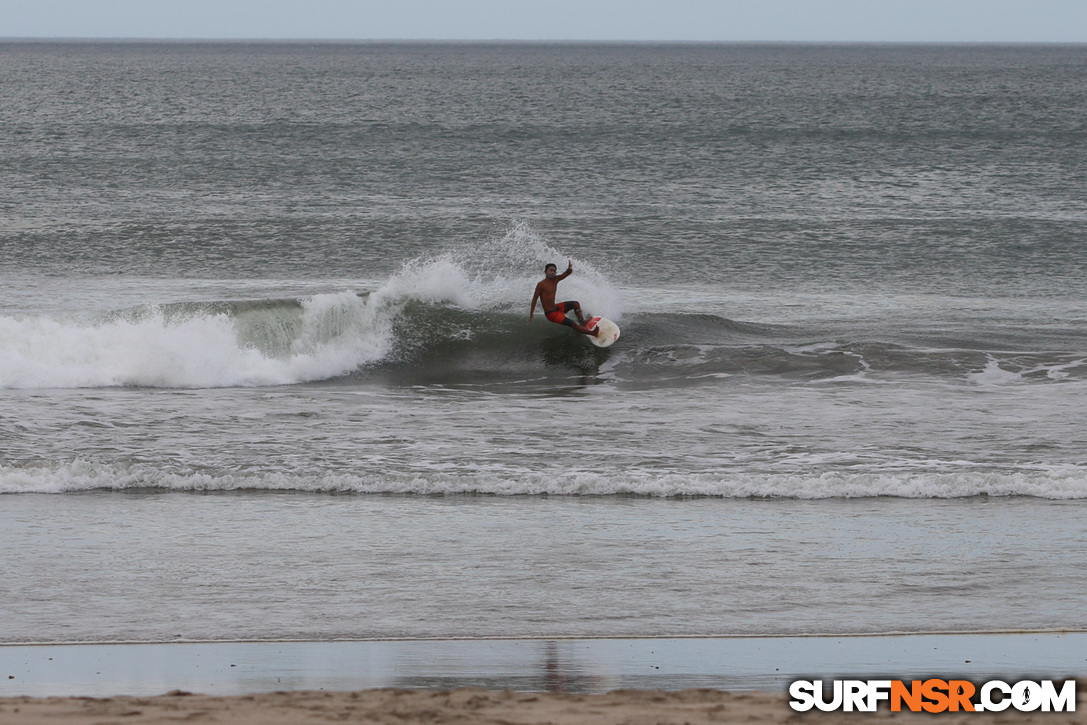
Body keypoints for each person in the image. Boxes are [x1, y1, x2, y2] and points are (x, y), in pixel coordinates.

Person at [529, 261, 599, 336]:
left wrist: (570, 269)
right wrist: (531, 314)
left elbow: (566, 273)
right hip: (551, 314)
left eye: (554, 271)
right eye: (550, 270)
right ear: (545, 271)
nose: (552, 272)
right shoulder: (541, 285)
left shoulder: (555, 280)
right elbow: (534, 299)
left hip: (557, 307)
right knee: (572, 324)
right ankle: (593, 333)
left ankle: (581, 321)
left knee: (575, 304)